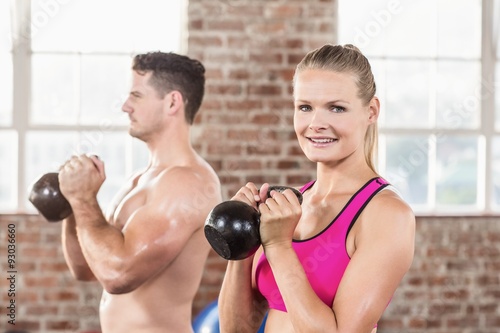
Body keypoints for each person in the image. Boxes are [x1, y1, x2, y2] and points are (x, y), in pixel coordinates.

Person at [218, 44, 416, 332]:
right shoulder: (289, 205)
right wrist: (242, 240)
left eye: (336, 108)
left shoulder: (387, 215)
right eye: (305, 107)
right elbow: (236, 329)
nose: (316, 124)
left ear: (371, 111)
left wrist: (278, 245)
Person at [58, 52, 222, 333]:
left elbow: (117, 275)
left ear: (172, 102)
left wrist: (84, 199)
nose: (125, 106)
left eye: (136, 95)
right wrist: (72, 204)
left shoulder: (187, 182)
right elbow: (87, 268)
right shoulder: (138, 180)